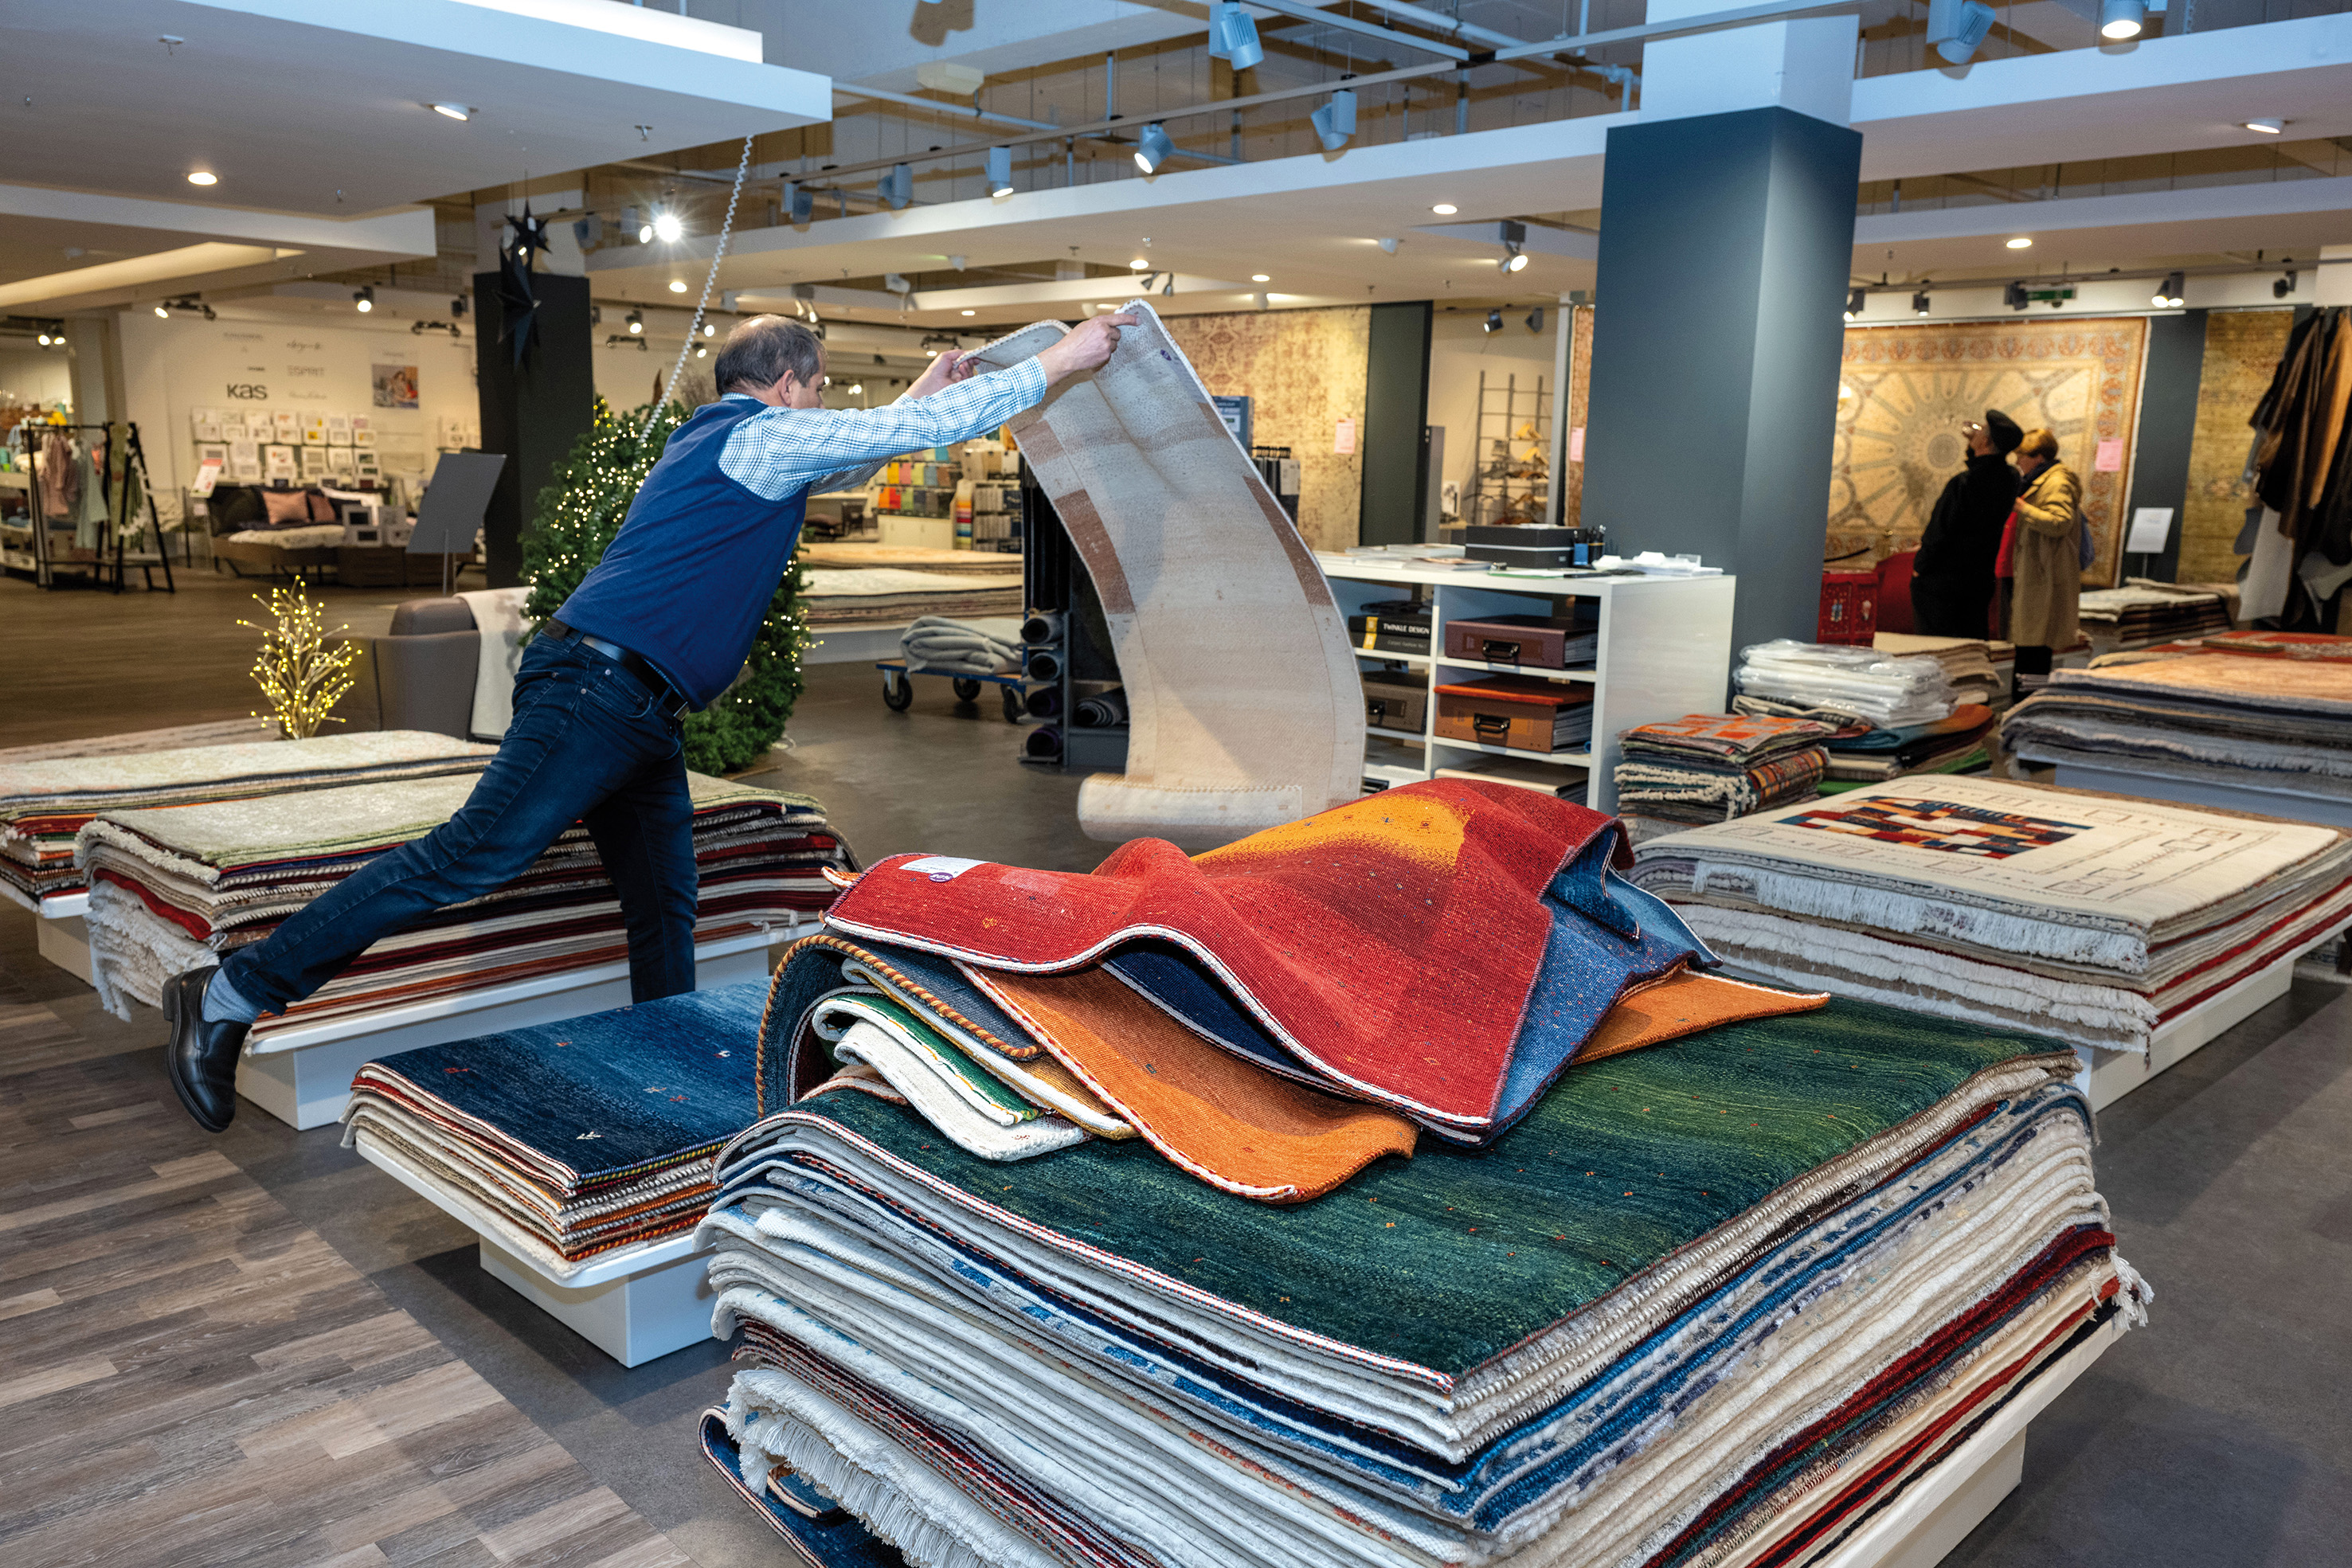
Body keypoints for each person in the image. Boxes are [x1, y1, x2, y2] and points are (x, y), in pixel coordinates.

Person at [161, 310, 1138, 1132]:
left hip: (634, 703)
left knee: (663, 905)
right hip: (597, 689)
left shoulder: (722, 440)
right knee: (467, 859)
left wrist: (921, 390)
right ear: (788, 386)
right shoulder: (759, 438)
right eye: (818, 390)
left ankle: (665, 1074)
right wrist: (1062, 360)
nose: (819, 408)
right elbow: (866, 442)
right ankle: (231, 991)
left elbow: (847, 459)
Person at [1908, 410, 2021, 638]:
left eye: (1981, 431)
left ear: (1986, 442)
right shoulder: (2010, 478)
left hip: (1944, 582)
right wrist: (1976, 444)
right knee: (1971, 642)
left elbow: (1940, 530)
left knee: (1938, 646)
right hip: (1980, 578)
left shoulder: (1964, 483)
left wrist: (1920, 567)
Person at [1999, 427, 2083, 699]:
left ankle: (2028, 706)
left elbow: (2059, 523)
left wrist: (2021, 507)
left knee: (2034, 650)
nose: (2017, 461)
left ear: (2038, 457)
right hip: (2030, 573)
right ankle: (2023, 706)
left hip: (2042, 576)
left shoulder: (2057, 481)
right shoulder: (2038, 480)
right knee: (2027, 647)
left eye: (2022, 456)